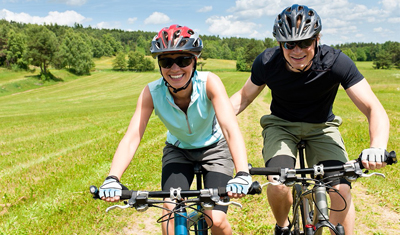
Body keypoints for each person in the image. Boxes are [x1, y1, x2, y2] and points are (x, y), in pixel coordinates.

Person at [230, 4, 389, 235]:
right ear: (279, 44)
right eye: (289, 44)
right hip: (281, 125)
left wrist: (377, 146)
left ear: (317, 39)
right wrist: (211, 122)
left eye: (305, 42)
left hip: (322, 127)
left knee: (341, 187)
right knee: (278, 181)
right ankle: (282, 227)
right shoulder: (266, 63)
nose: (297, 50)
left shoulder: (336, 62)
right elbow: (242, 98)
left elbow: (373, 107)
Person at [98, 24, 252, 235]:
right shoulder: (151, 92)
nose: (175, 68)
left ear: (194, 61)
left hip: (215, 149)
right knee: (170, 212)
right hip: (178, 151)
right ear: (159, 65)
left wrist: (242, 172)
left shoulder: (209, 82)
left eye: (183, 60)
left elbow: (229, 127)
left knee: (215, 219)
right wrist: (112, 178)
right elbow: (133, 135)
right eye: (166, 62)